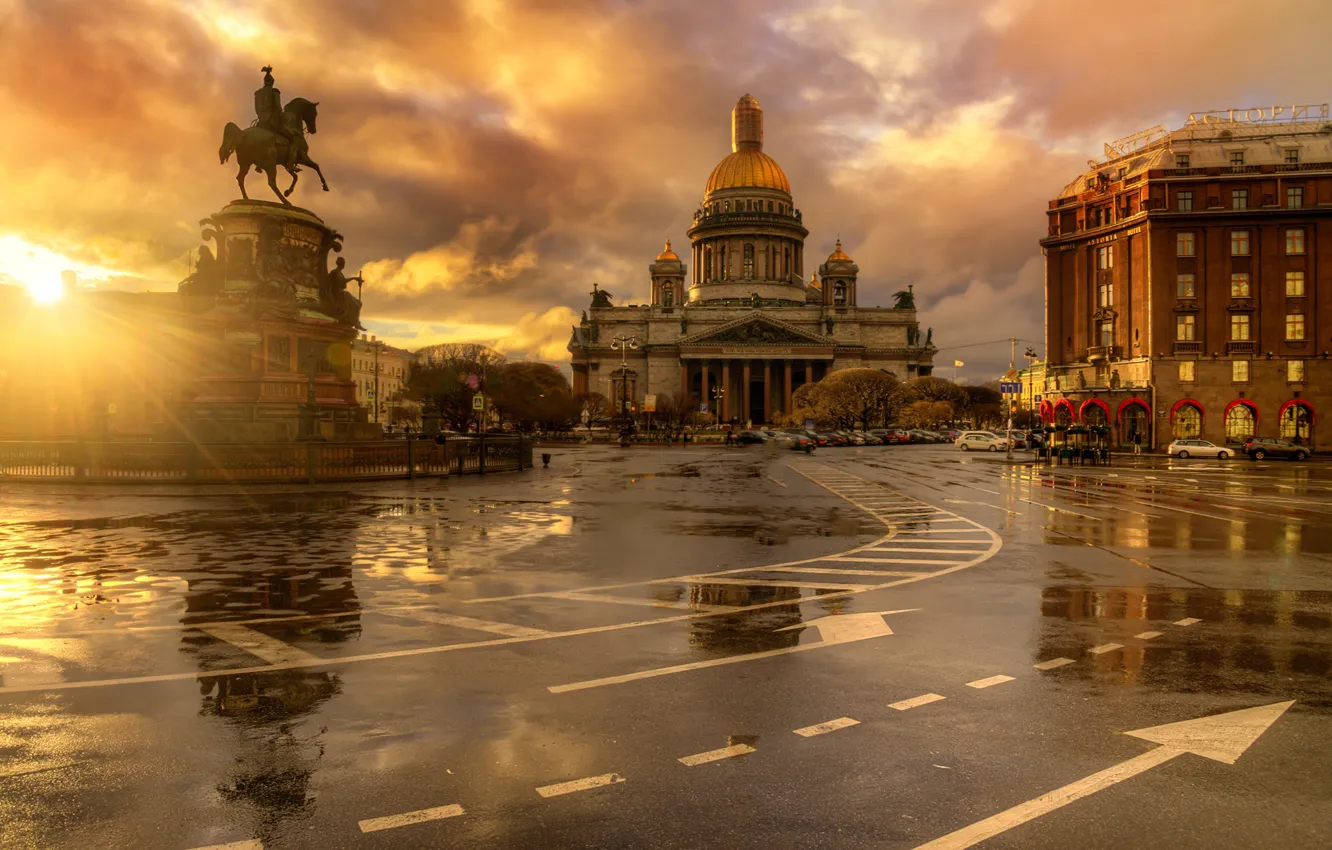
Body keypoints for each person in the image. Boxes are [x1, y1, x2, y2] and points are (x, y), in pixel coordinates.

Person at [255, 66, 298, 170]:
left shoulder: (258, 93)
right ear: (272, 82)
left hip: (261, 121)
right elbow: (278, 107)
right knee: (292, 137)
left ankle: (258, 164)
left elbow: (256, 108)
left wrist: (261, 116)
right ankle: (290, 164)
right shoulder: (274, 92)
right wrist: (281, 117)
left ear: (265, 81)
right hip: (273, 121)